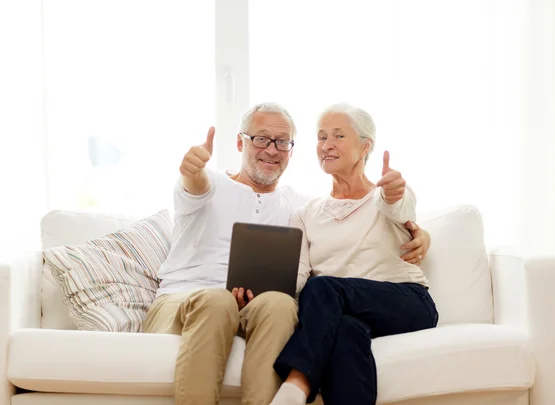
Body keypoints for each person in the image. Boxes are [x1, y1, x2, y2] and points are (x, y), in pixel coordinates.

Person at [143, 102, 432, 405]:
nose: (272, 149)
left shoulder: (298, 204)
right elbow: (195, 186)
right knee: (223, 301)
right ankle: (297, 383)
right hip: (189, 299)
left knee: (281, 304)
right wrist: (191, 170)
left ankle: (289, 393)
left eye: (282, 142)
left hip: (260, 305)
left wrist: (422, 234)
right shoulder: (211, 183)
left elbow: (393, 206)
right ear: (241, 142)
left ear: (292, 150)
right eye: (261, 139)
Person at [269, 103, 439, 405]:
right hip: (346, 313)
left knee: (322, 286)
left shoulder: (384, 196)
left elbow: (399, 205)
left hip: (406, 302)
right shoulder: (306, 213)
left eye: (338, 136)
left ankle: (297, 384)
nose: (327, 145)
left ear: (365, 147)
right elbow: (295, 276)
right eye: (321, 137)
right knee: (346, 331)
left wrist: (394, 193)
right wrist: (259, 292)